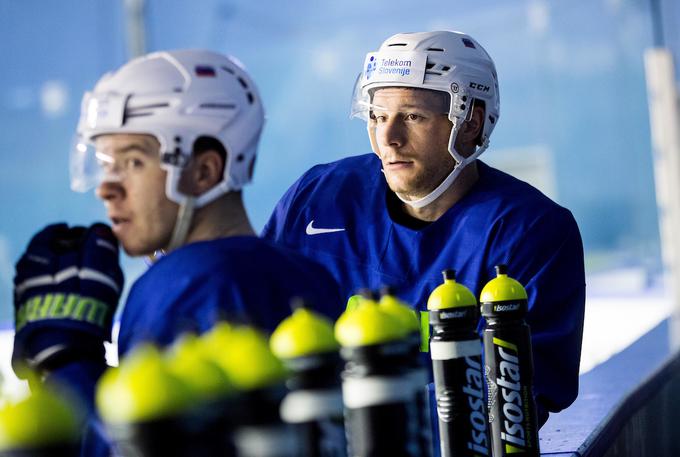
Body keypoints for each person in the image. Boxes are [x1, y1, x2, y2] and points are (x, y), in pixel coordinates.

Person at [12, 49, 343, 455]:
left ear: (204, 171)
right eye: (105, 162)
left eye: (133, 161)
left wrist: (66, 364)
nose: (106, 187)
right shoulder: (306, 273)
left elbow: (141, 445)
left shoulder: (185, 282)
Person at [263, 30, 586, 426]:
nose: (388, 138)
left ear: (471, 122)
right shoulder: (317, 197)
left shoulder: (531, 230)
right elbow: (258, 337)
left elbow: (512, 404)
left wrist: (367, 427)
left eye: (412, 116)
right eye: (378, 116)